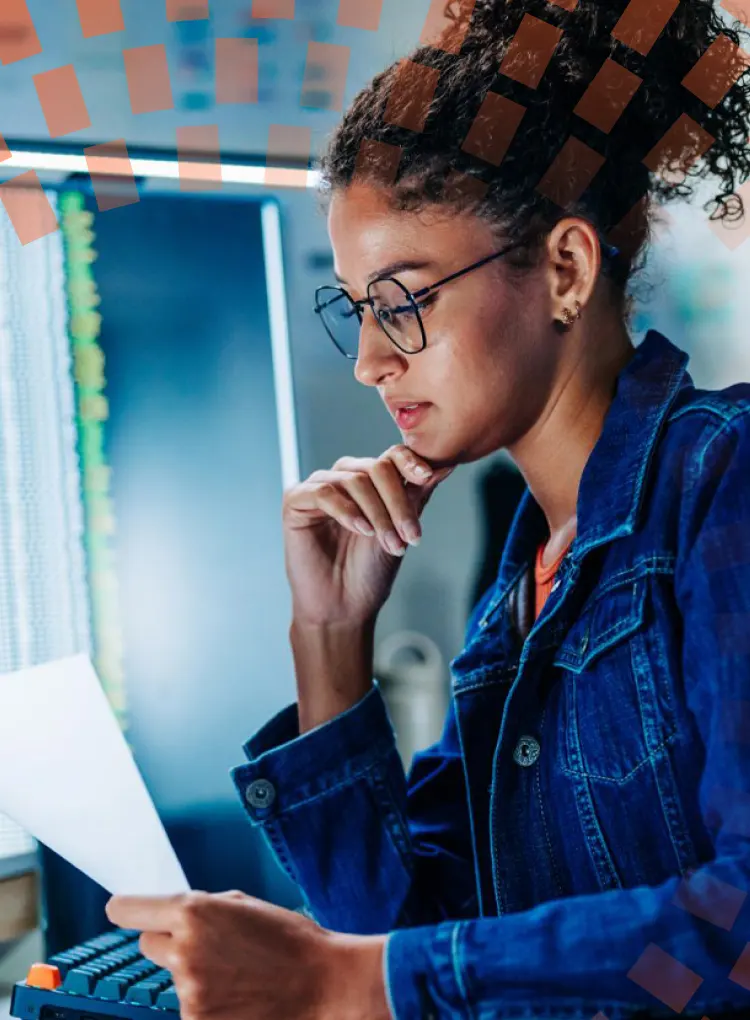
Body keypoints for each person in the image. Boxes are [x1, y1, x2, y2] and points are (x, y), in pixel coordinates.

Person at [106, 0, 750, 1016]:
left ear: (566, 270)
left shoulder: (725, 484)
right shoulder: (523, 591)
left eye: (404, 299)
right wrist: (330, 641)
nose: (369, 361)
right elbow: (411, 931)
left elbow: (741, 933)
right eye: (357, 310)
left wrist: (349, 979)